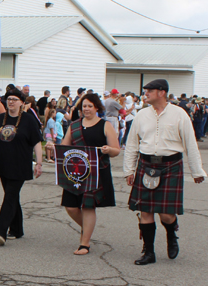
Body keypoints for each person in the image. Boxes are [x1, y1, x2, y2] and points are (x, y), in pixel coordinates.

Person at [124, 79, 206, 265]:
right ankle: (148, 252)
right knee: (145, 210)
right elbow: (131, 144)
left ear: (161, 92)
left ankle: (171, 233)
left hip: (171, 166)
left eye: (149, 91)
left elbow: (190, 143)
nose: (145, 94)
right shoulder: (141, 115)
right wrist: (129, 170)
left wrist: (196, 171)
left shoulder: (179, 114)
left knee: (166, 214)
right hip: (146, 165)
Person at [0, 88, 43, 245]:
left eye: (15, 99)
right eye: (9, 99)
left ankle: (1, 232)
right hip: (4, 164)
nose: (11, 102)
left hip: (20, 165)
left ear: (21, 102)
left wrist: (39, 163)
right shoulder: (1, 118)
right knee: (12, 196)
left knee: (9, 197)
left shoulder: (28, 120)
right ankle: (17, 229)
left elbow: (36, 142)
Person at [61, 94, 120, 255]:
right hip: (76, 171)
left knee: (88, 207)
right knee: (71, 207)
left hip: (97, 171)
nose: (86, 109)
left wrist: (109, 150)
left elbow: (116, 150)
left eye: (89, 106)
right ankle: (86, 228)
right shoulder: (74, 126)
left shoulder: (105, 125)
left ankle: (84, 244)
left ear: (97, 108)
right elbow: (64, 147)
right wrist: (54, 148)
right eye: (84, 106)